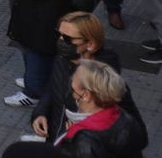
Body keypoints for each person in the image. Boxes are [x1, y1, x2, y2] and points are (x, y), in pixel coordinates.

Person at [30, 11, 142, 144]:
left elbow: (137, 134)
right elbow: (52, 88)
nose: (60, 41)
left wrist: (83, 133)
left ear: (91, 45)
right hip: (57, 140)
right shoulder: (62, 59)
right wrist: (40, 113)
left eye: (67, 39)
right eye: (59, 35)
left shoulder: (107, 85)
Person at [1, 60, 147, 158]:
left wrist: (72, 136)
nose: (70, 90)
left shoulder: (84, 141)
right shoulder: (125, 117)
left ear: (86, 95)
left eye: (73, 86)